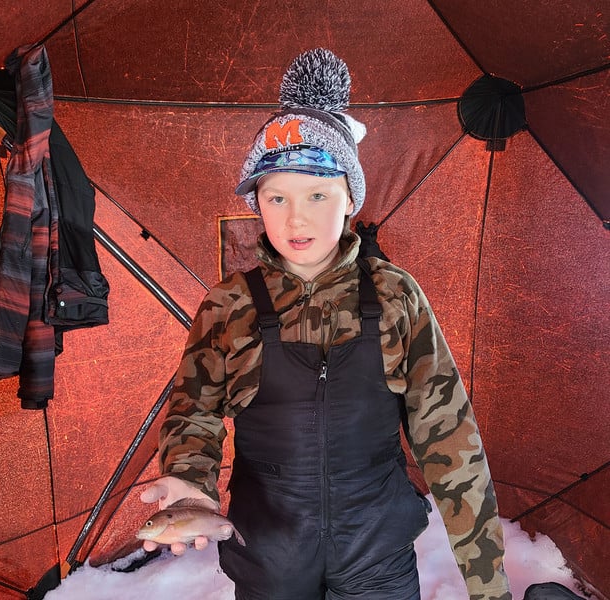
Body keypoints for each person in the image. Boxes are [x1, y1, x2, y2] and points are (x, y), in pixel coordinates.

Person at [140, 48, 511, 600]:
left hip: (377, 561)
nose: (297, 217)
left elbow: (448, 437)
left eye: (318, 194)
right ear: (256, 203)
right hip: (269, 558)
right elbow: (195, 411)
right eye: (276, 196)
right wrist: (191, 483)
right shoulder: (228, 305)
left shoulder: (394, 295)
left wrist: (489, 586)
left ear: (349, 197)